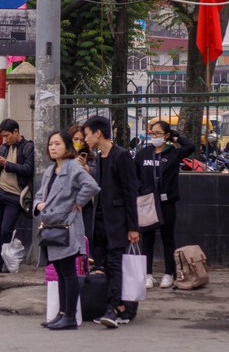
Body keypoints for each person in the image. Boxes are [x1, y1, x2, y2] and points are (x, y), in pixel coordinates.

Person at [34, 131, 100, 330]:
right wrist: (38, 205)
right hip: (52, 226)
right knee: (61, 272)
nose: (53, 147)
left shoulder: (73, 167)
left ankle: (69, 316)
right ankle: (62, 313)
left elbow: (91, 186)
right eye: (51, 144)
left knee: (69, 272)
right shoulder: (50, 170)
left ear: (67, 147)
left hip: (67, 227)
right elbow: (39, 194)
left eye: (57, 144)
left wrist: (77, 203)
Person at [83, 115, 139, 329]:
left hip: (118, 222)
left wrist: (133, 226)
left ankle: (114, 308)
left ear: (98, 133)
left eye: (87, 134)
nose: (85, 139)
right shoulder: (100, 157)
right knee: (105, 265)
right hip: (100, 222)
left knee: (116, 265)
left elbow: (130, 192)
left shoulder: (122, 156)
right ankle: (119, 307)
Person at [134, 121, 194, 289]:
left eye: (158, 133)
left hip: (167, 202)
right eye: (152, 133)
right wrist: (141, 190)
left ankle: (169, 273)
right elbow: (134, 175)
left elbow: (191, 146)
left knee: (168, 238)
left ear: (166, 136)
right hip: (147, 202)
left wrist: (176, 137)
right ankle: (147, 274)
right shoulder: (143, 154)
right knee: (148, 239)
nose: (154, 136)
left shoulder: (173, 153)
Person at [0, 118, 34, 274]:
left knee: (6, 229)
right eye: (3, 137)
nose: (6, 139)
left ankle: (7, 260)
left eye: (8, 136)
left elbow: (28, 169)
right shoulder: (3, 147)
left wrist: (6, 164)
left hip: (15, 195)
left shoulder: (28, 147)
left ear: (16, 132)